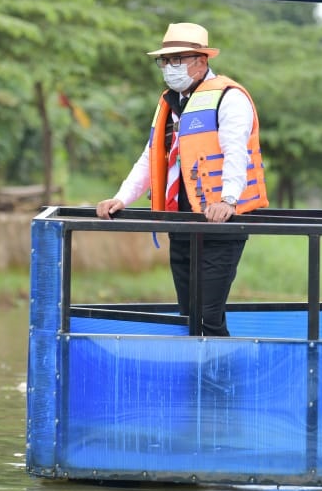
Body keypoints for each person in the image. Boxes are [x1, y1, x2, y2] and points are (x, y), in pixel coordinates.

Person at [95, 22, 268, 336]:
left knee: (208, 316)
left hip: (220, 223)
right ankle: (201, 381)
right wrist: (121, 198)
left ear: (201, 61)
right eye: (165, 60)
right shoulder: (169, 104)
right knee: (189, 314)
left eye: (178, 60)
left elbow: (235, 151)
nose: (169, 67)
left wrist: (227, 200)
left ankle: (220, 381)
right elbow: (151, 158)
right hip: (181, 221)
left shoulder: (229, 97)